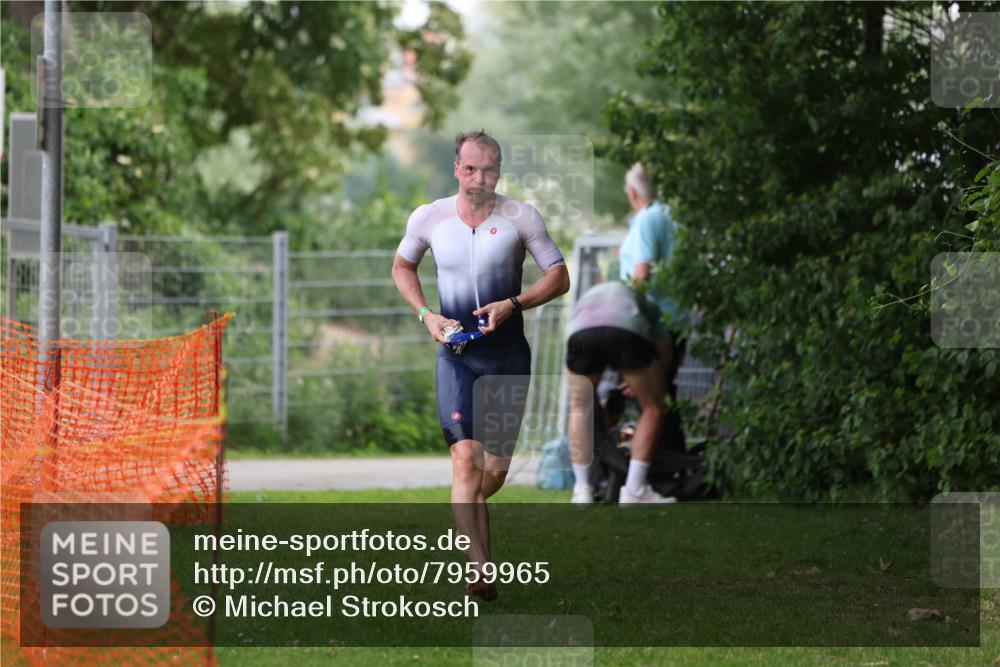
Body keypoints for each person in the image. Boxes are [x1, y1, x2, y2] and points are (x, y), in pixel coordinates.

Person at [391, 130, 570, 598]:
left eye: (489, 169)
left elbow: (559, 276)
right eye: (470, 168)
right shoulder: (429, 217)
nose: (479, 178)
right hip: (457, 357)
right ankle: (481, 570)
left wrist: (514, 302)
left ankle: (464, 513)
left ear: (499, 170)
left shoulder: (521, 217)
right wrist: (426, 314)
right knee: (465, 460)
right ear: (456, 168)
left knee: (492, 474)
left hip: (508, 356)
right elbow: (401, 267)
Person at [565, 280, 676, 504]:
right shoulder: (643, 299)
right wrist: (653, 380)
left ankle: (582, 490)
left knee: (578, 409)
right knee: (652, 408)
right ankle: (634, 489)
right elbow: (664, 347)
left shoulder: (589, 295)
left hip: (582, 335)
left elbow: (576, 331)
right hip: (624, 332)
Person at [619, 162, 686, 397]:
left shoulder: (648, 219)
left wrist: (622, 307)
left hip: (655, 322)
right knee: (662, 395)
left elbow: (642, 272)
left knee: (649, 398)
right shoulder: (670, 215)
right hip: (675, 317)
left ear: (633, 192)